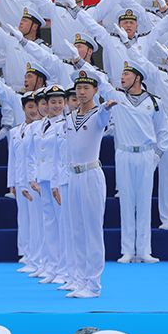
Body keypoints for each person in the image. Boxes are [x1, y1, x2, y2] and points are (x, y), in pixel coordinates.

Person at [62, 70, 116, 298]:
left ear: (95, 90)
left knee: (92, 229)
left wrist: (107, 106)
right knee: (76, 230)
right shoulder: (69, 117)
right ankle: (79, 279)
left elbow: (103, 115)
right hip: (73, 175)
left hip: (90, 173)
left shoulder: (99, 113)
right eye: (79, 88)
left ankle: (93, 284)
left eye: (86, 88)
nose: (81, 92)